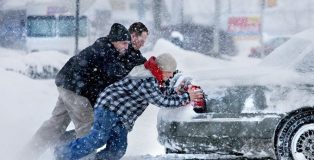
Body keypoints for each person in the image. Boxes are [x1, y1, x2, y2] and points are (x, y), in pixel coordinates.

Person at [21, 22, 149, 159]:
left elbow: (130, 62)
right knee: (88, 127)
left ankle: (28, 154)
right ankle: (76, 155)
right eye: (125, 43)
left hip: (68, 84)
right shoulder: (106, 50)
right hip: (76, 89)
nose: (127, 46)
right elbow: (114, 72)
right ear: (119, 40)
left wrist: (149, 66)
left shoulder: (113, 47)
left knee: (56, 124)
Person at [54, 53, 204, 160]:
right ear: (162, 69)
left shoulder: (154, 77)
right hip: (108, 107)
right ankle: (61, 154)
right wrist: (187, 97)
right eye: (170, 73)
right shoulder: (146, 78)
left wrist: (177, 92)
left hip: (121, 116)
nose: (171, 77)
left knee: (117, 149)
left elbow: (162, 93)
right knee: (97, 139)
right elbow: (161, 100)